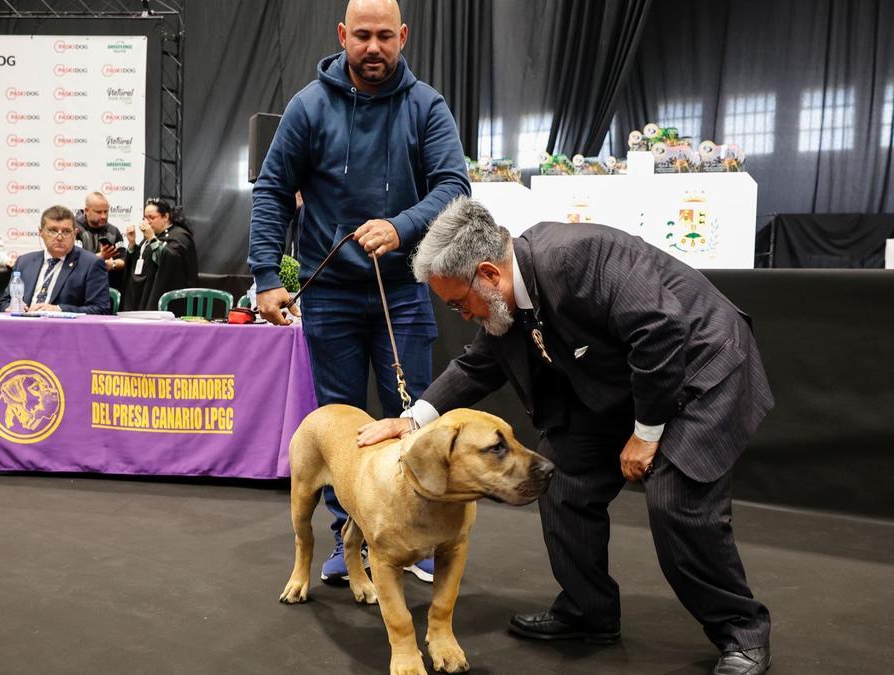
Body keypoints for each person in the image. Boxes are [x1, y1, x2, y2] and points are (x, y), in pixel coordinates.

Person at [357, 197, 774, 675]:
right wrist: (413, 421)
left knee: (675, 500)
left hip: (701, 369)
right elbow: (478, 365)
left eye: (457, 302)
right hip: (628, 384)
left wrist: (646, 433)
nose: (461, 316)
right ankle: (588, 611)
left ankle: (742, 633)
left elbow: (660, 332)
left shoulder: (581, 255)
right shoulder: (506, 301)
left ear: (489, 275)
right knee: (560, 477)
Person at [247, 0, 470, 585]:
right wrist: (266, 276)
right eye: (362, 36)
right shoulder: (309, 106)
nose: (374, 48)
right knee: (342, 428)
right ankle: (351, 542)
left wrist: (401, 226)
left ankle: (413, 537)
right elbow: (272, 189)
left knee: (414, 413)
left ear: (404, 37)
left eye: (385, 37)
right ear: (343, 36)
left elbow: (454, 186)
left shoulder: (427, 106)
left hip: (402, 290)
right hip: (331, 297)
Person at [0, 205, 111, 315]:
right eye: (52, 231)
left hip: (63, 330)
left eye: (66, 231)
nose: (59, 237)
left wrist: (59, 309)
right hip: (24, 326)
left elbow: (101, 309)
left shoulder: (91, 264)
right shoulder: (24, 262)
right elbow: (5, 302)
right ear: (41, 232)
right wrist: (12, 307)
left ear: (75, 234)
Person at [120, 198, 198, 312]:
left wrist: (152, 239)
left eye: (151, 218)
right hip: (142, 294)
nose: (147, 222)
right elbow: (143, 261)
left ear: (165, 217)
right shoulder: (150, 237)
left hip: (165, 298)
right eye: (145, 218)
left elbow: (171, 263)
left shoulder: (179, 236)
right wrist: (132, 245)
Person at [74, 192, 127, 289]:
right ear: (87, 211)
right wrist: (100, 257)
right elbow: (74, 262)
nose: (103, 216)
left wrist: (112, 264)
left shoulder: (113, 231)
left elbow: (123, 260)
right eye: (98, 212)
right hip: (79, 287)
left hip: (106, 287)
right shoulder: (74, 230)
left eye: (106, 211)